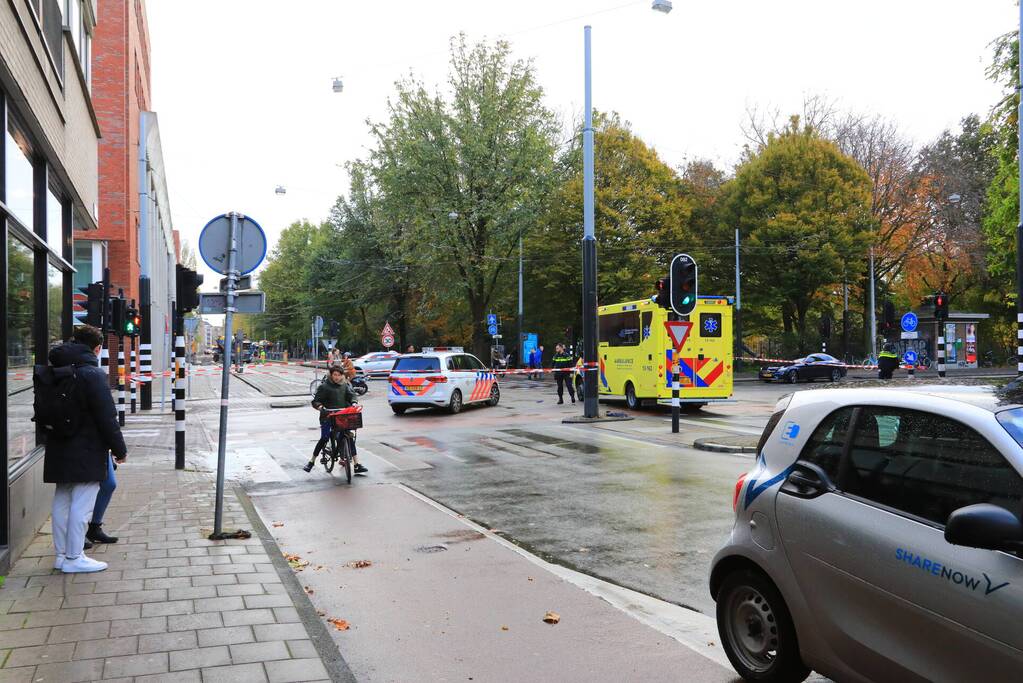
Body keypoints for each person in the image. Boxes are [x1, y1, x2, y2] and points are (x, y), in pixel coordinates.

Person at [45, 325, 127, 573]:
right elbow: (106, 418)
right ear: (97, 348)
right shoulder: (92, 374)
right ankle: (74, 557)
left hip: (59, 444)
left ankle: (61, 555)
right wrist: (119, 449)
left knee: (62, 500)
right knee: (82, 505)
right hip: (86, 448)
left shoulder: (56, 369)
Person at [304, 366, 367, 474]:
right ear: (331, 375)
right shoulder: (324, 387)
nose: (337, 377)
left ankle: (356, 464)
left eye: (339, 375)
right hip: (327, 416)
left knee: (349, 437)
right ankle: (311, 461)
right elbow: (316, 401)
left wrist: (354, 402)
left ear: (342, 375)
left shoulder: (345, 385)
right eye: (334, 375)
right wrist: (320, 407)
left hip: (341, 416)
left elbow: (351, 395)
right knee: (324, 437)